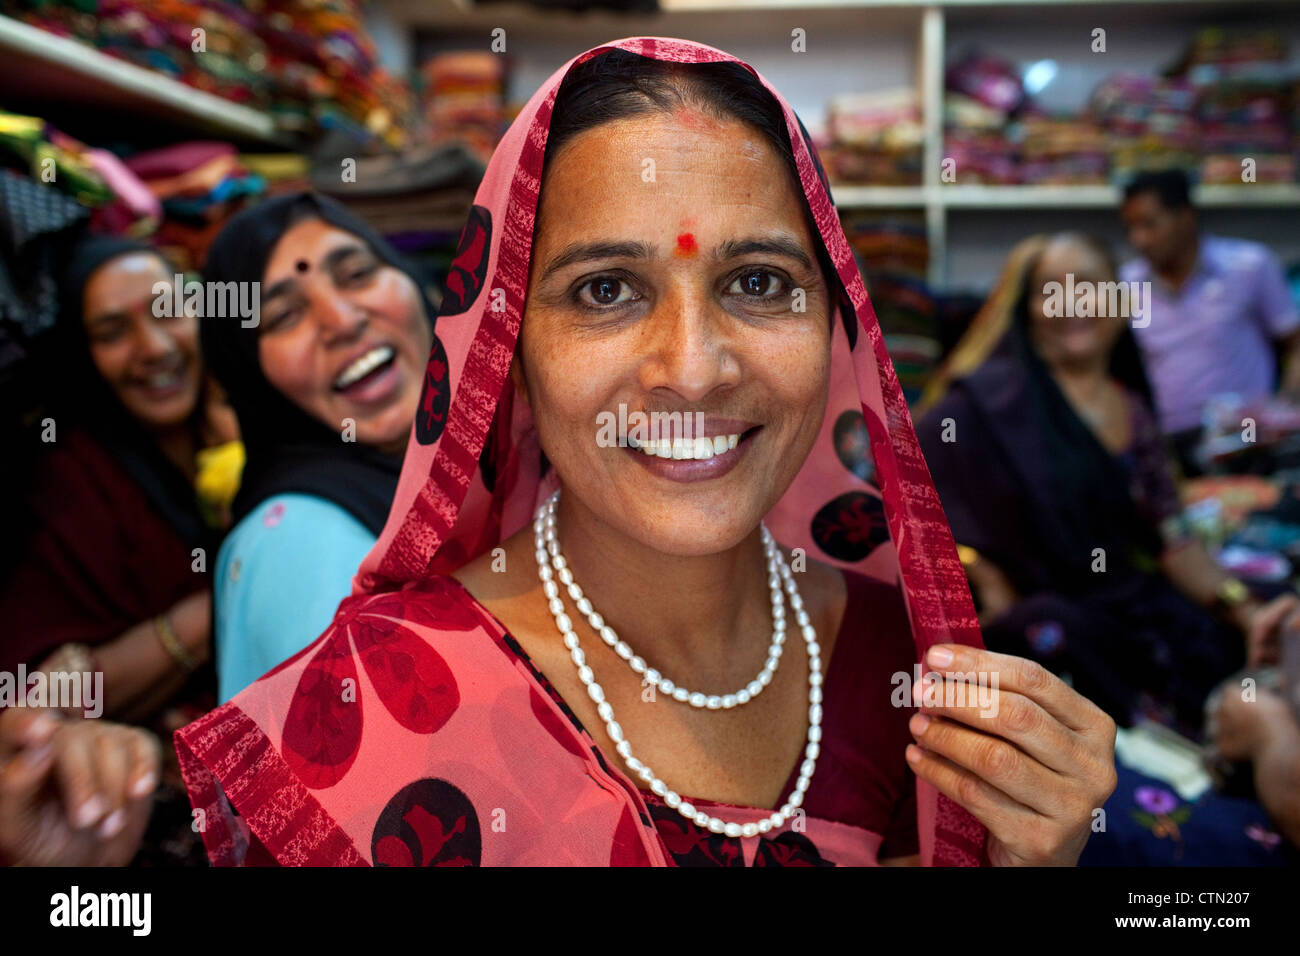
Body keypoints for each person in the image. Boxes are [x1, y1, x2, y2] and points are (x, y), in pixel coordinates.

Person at [6, 38, 1118, 867]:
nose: (693, 365)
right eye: (605, 289)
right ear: (507, 355)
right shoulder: (372, 708)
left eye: (758, 282)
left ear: (839, 332)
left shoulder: (910, 677)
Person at [918, 232, 1299, 741]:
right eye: (1052, 290)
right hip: (1039, 619)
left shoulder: (1135, 412)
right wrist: (972, 562)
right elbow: (898, 485)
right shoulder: (989, 405)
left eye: (1091, 287)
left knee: (1269, 606)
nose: (1073, 304)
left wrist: (1243, 608)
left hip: (1126, 601)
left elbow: (1175, 539)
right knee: (1052, 632)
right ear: (1028, 310)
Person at [0, 236, 235, 865]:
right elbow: (38, 703)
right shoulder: (68, 485)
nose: (154, 349)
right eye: (112, 332)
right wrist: (213, 610)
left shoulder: (232, 420)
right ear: (83, 355)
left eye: (166, 312)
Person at [198, 193, 439, 702]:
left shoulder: (498, 463)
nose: (342, 320)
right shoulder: (299, 544)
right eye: (284, 316)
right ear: (250, 378)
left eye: (356, 274)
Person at [1119, 169, 1300, 472]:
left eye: (1149, 224)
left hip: (1249, 443)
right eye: (1131, 227)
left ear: (1186, 216)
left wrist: (1285, 409)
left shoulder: (1249, 266)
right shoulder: (1126, 286)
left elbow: (1295, 343)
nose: (1139, 239)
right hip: (1167, 449)